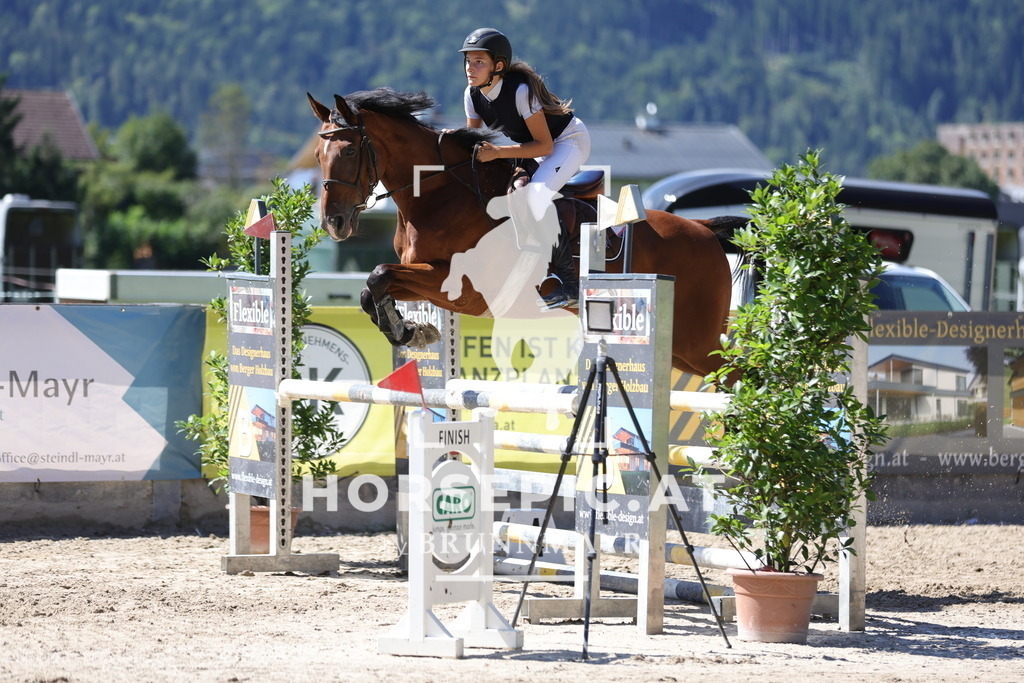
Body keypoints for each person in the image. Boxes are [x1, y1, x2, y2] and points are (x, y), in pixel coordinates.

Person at [459, 27, 591, 309]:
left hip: (566, 142)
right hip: (534, 146)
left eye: (479, 61)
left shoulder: (520, 91)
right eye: (468, 61)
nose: (471, 68)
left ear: (498, 65)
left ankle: (569, 285)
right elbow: (472, 142)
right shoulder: (472, 95)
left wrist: (497, 153)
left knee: (533, 198)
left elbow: (545, 146)